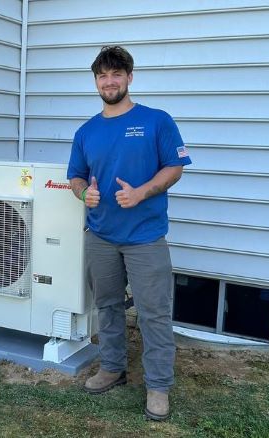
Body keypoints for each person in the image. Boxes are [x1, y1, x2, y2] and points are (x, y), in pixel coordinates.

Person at [67, 46, 192, 420]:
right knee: (106, 306)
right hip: (101, 235)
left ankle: (158, 386)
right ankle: (112, 367)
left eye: (116, 74)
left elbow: (175, 167)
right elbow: (75, 176)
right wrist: (81, 192)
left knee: (154, 313)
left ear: (129, 78)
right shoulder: (87, 131)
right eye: (102, 75)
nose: (109, 81)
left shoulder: (157, 121)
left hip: (145, 237)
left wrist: (141, 192)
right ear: (96, 81)